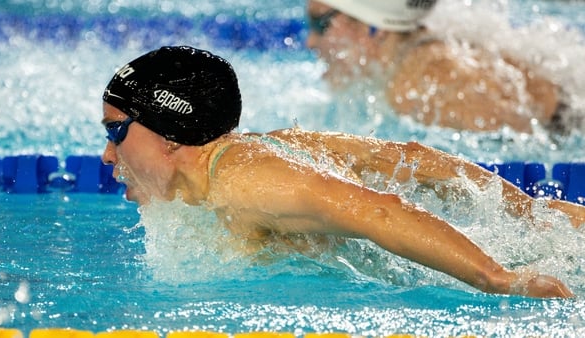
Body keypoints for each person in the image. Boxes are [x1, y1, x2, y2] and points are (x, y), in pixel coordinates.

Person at [101, 45, 583, 299]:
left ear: (169, 132)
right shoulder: (263, 150)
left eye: (117, 131)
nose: (107, 155)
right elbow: (407, 158)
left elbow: (381, 210)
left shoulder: (246, 182)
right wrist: (528, 212)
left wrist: (499, 279)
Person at [306, 0, 564, 133]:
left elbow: (534, 134)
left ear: (371, 27)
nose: (310, 41)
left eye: (319, 24)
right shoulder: (422, 54)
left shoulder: (418, 83)